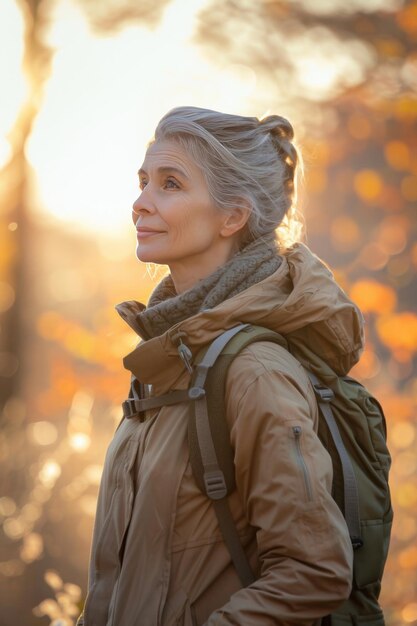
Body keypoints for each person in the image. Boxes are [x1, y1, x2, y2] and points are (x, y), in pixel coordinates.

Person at [77, 106, 361, 626]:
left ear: (232, 217)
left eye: (170, 184)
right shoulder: (169, 359)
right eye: (143, 182)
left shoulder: (254, 373)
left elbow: (314, 571)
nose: (140, 203)